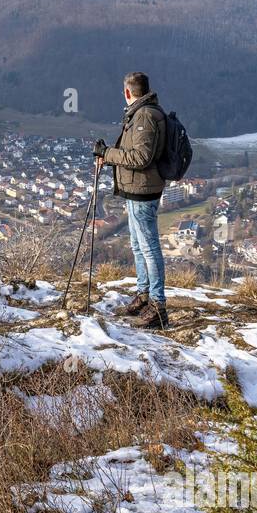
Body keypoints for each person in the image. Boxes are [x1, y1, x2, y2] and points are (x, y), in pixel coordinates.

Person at [93, 71, 168, 329]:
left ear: (127, 92)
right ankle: (144, 295)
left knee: (148, 247)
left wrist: (108, 154)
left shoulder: (145, 116)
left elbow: (141, 158)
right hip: (136, 189)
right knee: (138, 245)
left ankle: (158, 306)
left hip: (143, 190)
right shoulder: (141, 112)